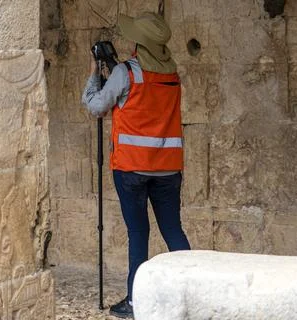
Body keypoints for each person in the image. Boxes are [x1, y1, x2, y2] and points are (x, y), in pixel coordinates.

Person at [82, 12, 191, 319]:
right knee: (173, 230)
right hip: (168, 167)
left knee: (138, 233)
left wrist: (94, 73)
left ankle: (135, 300)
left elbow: (97, 106)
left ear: (139, 43)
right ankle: (195, 287)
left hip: (131, 168)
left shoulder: (126, 72)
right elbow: (145, 98)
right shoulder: (172, 73)